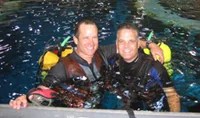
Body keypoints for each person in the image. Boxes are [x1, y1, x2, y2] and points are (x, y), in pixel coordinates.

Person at [9, 19, 164, 109]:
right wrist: (25, 97)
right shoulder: (64, 66)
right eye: (86, 38)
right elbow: (44, 88)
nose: (91, 43)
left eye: (95, 37)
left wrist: (151, 45)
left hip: (101, 99)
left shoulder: (102, 52)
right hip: (78, 107)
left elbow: (129, 44)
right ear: (75, 40)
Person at [103, 23, 180, 112]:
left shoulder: (154, 67)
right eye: (122, 41)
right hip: (131, 98)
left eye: (131, 41)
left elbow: (173, 96)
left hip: (153, 103)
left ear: (138, 43)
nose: (126, 46)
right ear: (117, 43)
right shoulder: (112, 61)